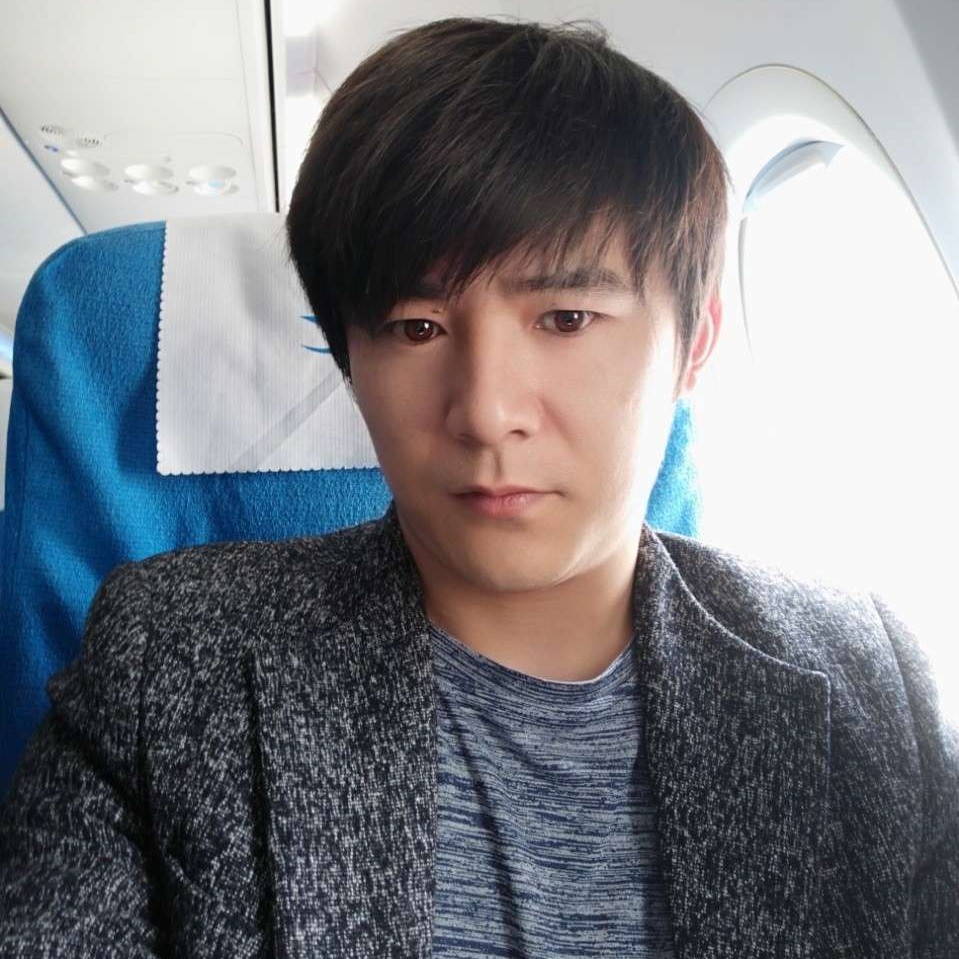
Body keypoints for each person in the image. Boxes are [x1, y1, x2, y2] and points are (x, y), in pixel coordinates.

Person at [1, 16, 956, 958]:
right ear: (347, 358)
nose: (487, 412)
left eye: (566, 317)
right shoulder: (168, 660)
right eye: (416, 328)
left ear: (693, 344)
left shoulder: (865, 678)